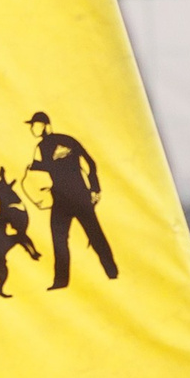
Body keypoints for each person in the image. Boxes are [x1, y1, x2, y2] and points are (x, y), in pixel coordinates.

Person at [26, 110, 117, 291]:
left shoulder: (67, 140)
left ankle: (112, 272)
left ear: (46, 125)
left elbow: (89, 162)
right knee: (59, 239)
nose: (33, 128)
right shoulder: (40, 148)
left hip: (79, 196)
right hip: (60, 200)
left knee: (95, 235)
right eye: (32, 125)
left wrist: (95, 189)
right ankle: (61, 281)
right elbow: (36, 174)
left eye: (35, 124)